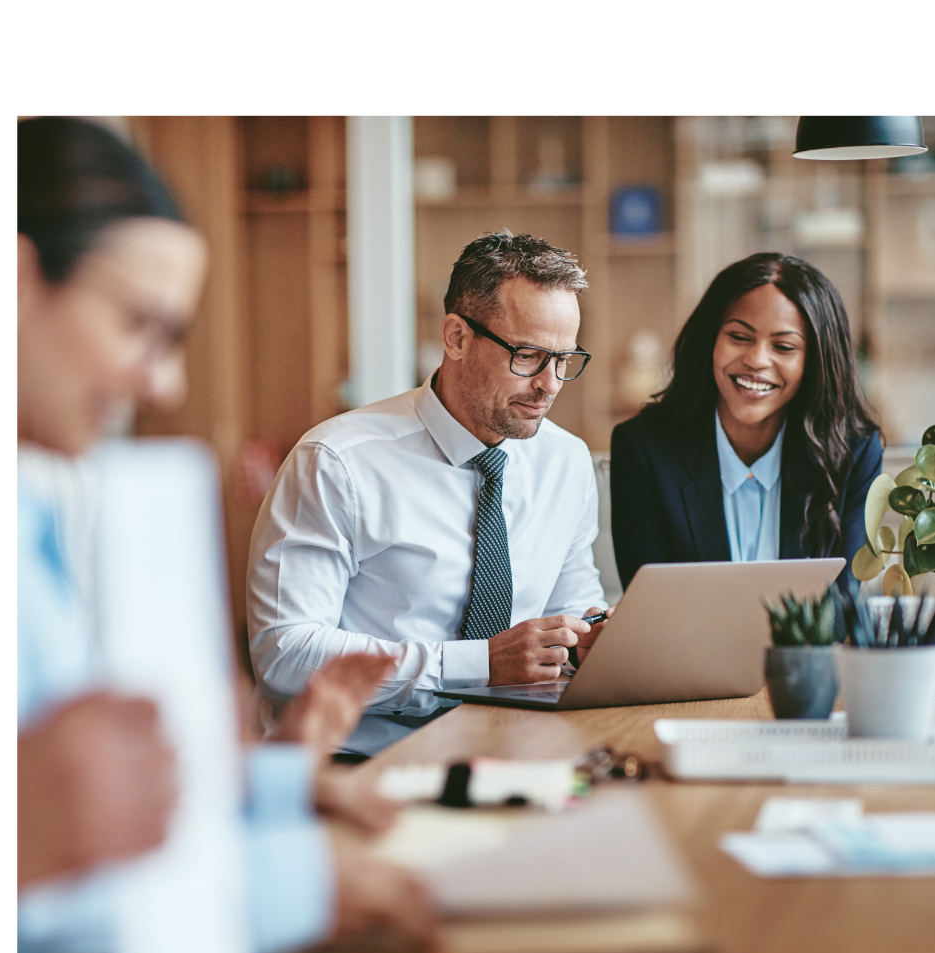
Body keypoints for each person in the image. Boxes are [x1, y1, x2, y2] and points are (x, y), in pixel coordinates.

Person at [16, 116, 433, 953]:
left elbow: (68, 812)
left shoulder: (42, 512)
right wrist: (294, 888)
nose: (163, 383)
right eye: (140, 326)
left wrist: (275, 777)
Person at [248, 230, 611, 757]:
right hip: (357, 762)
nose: (550, 384)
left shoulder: (566, 460)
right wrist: (478, 664)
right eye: (529, 356)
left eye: (565, 359)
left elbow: (572, 606)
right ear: (457, 337)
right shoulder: (338, 461)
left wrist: (594, 637)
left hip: (512, 754)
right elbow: (285, 655)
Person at [610, 253, 882, 589]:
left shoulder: (853, 452)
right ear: (710, 339)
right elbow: (650, 606)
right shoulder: (642, 449)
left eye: (783, 346)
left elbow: (843, 608)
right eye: (739, 337)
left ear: (815, 361)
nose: (756, 360)